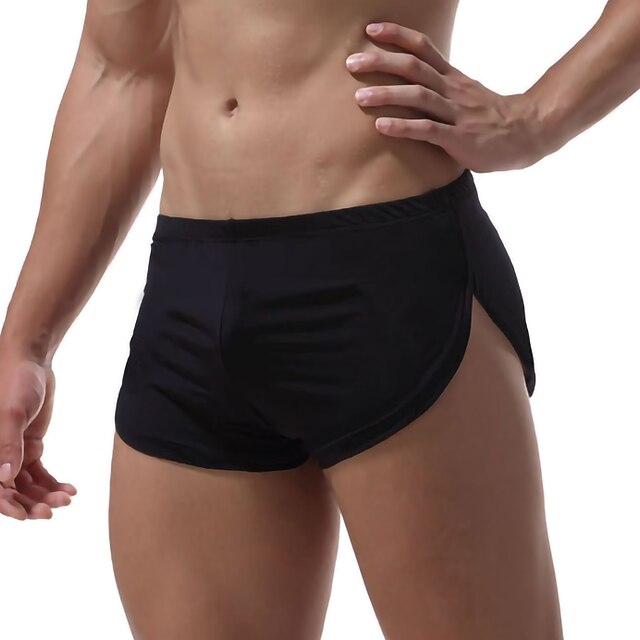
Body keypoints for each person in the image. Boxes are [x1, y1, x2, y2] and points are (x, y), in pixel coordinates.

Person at [0, 0, 638, 637]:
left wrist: (535, 119)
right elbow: (121, 68)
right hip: (187, 300)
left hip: (385, 281)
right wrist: (27, 341)